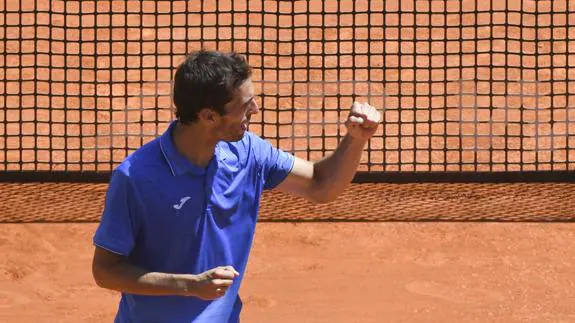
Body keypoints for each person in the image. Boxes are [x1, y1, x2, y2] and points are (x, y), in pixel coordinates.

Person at [91, 49, 381, 323]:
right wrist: (190, 286)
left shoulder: (248, 153)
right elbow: (105, 271)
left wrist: (356, 140)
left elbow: (321, 185)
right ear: (208, 116)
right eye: (245, 104)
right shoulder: (136, 178)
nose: (255, 109)